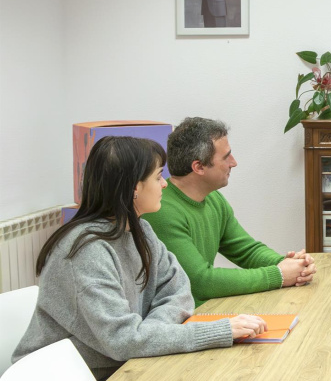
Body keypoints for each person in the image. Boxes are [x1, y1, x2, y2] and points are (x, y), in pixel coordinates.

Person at [12, 137, 268, 380]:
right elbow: (123, 340)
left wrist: (149, 332)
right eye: (158, 177)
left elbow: (178, 289)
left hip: (128, 364)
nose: (165, 184)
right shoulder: (86, 252)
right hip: (67, 375)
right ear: (134, 188)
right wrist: (218, 331)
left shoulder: (139, 230)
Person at [142, 117, 315, 307]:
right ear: (198, 167)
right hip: (182, 323)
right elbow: (201, 281)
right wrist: (279, 275)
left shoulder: (213, 199)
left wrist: (290, 264)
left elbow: (246, 251)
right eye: (226, 157)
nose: (234, 163)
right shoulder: (161, 210)